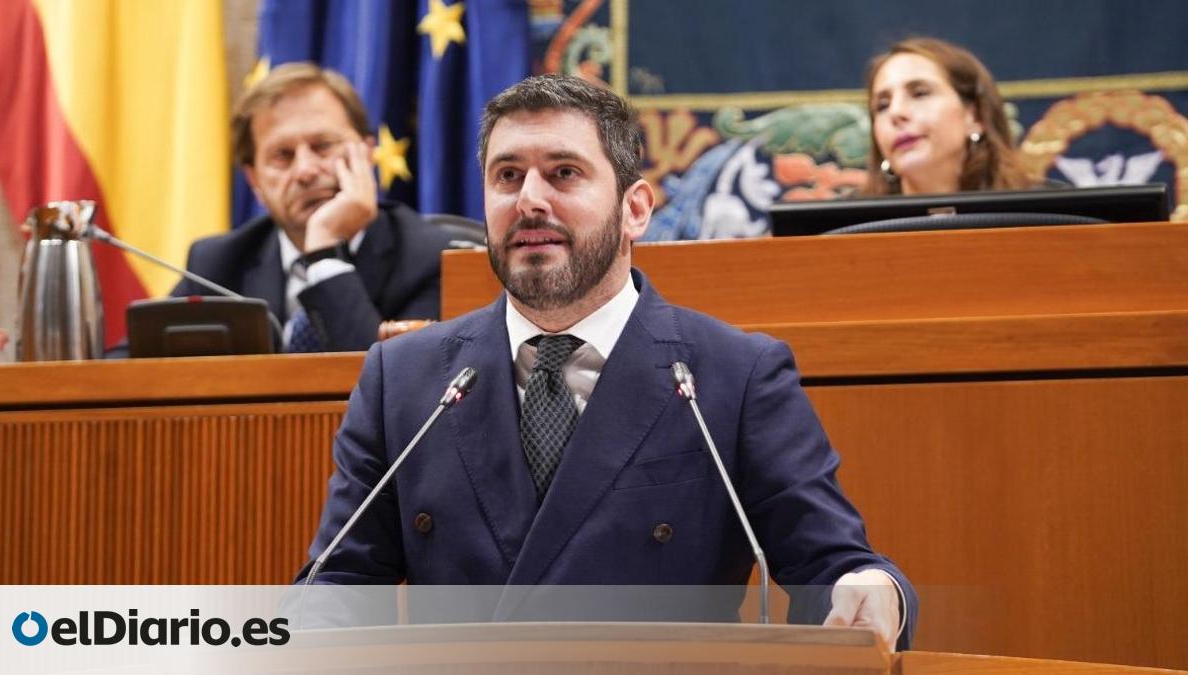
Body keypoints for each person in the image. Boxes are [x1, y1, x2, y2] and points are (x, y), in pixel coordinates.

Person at [300, 74, 918, 650]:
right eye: (507, 176)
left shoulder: (734, 375)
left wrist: (869, 590)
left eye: (564, 173)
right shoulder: (403, 379)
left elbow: (833, 565)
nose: (529, 200)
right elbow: (337, 585)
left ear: (635, 210)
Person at [171, 63, 454, 352]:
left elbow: (390, 376)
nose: (305, 170)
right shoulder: (217, 265)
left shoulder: (435, 260)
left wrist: (323, 256)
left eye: (323, 146)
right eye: (283, 155)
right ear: (254, 179)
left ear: (368, 153)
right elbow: (143, 366)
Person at [863, 37, 1034, 196]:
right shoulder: (852, 217)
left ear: (975, 116)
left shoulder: (1040, 209)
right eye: (882, 106)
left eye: (920, 94)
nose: (895, 112)